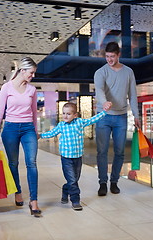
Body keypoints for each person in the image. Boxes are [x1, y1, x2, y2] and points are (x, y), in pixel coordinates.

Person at [0, 57, 41, 218]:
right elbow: (0, 111)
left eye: (34, 73)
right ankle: (17, 192)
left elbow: (34, 113)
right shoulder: (7, 87)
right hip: (10, 128)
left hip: (28, 129)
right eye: (31, 73)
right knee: (13, 163)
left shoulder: (32, 90)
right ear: (22, 70)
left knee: (31, 163)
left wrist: (35, 130)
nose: (32, 76)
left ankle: (34, 200)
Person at [40, 102, 111, 211]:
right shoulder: (61, 125)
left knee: (74, 179)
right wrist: (40, 135)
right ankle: (75, 200)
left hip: (78, 157)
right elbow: (52, 133)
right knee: (73, 180)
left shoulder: (79, 122)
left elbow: (93, 119)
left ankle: (65, 189)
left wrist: (105, 112)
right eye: (63, 113)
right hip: (66, 158)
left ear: (75, 115)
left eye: (68, 114)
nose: (65, 116)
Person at [94, 41, 140, 196]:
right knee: (102, 151)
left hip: (121, 117)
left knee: (120, 152)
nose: (109, 59)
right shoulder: (100, 72)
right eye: (107, 56)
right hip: (103, 116)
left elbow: (133, 95)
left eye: (112, 56)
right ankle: (102, 183)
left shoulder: (128, 72)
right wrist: (104, 101)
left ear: (118, 55)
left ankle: (114, 182)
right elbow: (99, 89)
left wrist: (136, 115)